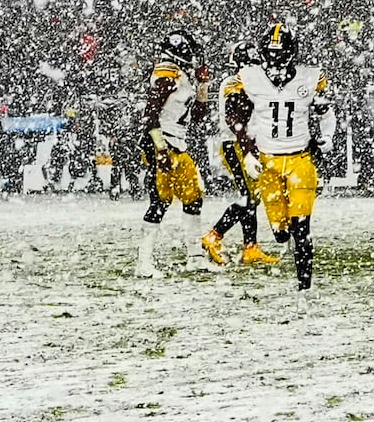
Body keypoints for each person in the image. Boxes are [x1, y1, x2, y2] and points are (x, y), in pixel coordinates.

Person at [222, 23, 336, 290]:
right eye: (270, 56)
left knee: (301, 228)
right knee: (282, 233)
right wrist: (248, 152)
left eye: (279, 55)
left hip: (300, 161)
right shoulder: (249, 77)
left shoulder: (310, 78)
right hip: (268, 163)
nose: (274, 62)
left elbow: (326, 112)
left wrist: (327, 139)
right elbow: (234, 116)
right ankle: (287, 242)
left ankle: (304, 287)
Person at [136, 29, 210, 278]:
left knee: (193, 198)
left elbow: (199, 115)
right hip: (163, 143)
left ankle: (195, 257)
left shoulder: (181, 75)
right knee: (159, 202)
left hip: (178, 143)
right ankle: (143, 262)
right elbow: (150, 115)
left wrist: (202, 85)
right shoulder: (167, 74)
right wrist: (159, 150)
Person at [200, 41, 278, 268]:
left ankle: (250, 247)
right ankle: (214, 235)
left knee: (250, 196)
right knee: (249, 198)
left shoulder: (240, 80)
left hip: (241, 143)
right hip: (236, 145)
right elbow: (235, 120)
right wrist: (248, 150)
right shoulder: (238, 82)